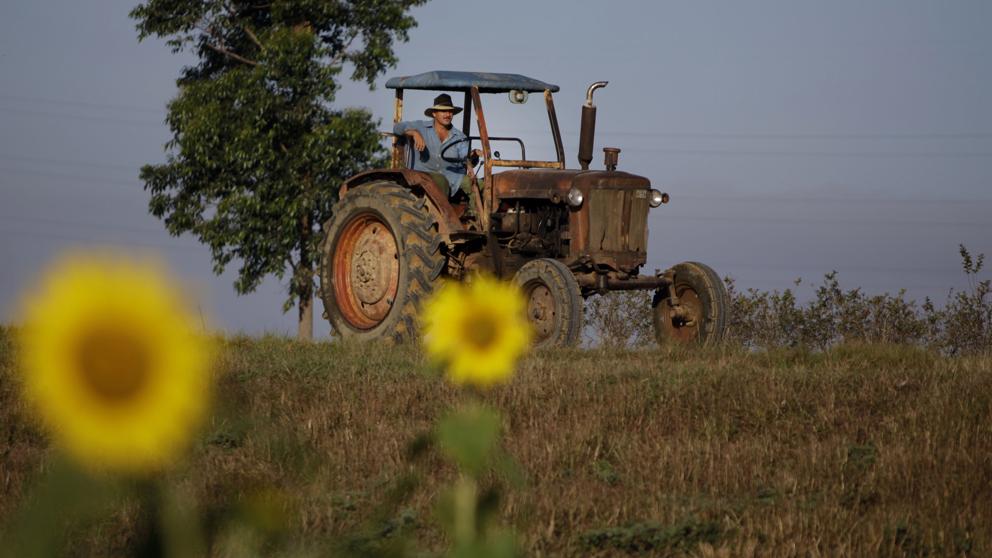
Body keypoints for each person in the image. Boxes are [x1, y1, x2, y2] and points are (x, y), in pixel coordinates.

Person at [393, 93, 481, 198]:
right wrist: (413, 133)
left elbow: (465, 157)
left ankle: (480, 213)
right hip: (423, 177)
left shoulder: (459, 137)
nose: (448, 114)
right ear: (434, 113)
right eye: (444, 111)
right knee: (441, 180)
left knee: (478, 185)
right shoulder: (420, 127)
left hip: (452, 179)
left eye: (450, 111)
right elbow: (397, 127)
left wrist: (474, 154)